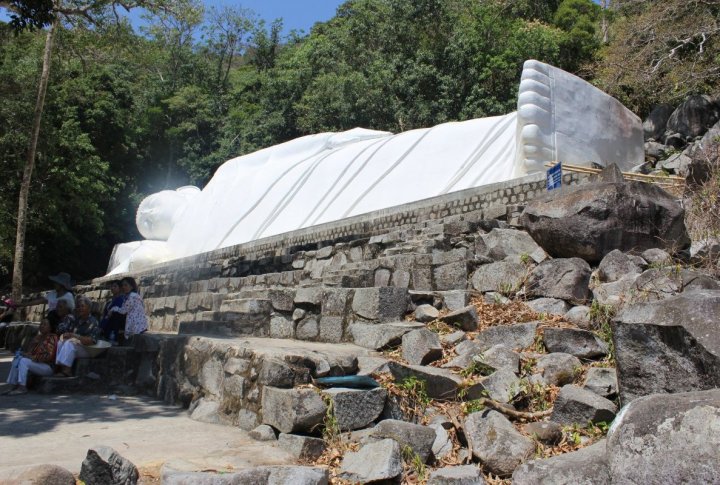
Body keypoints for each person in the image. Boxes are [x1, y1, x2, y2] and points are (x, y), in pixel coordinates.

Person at [4, 318, 58, 395]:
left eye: (44, 324)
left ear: (50, 327)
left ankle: (22, 387)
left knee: (24, 361)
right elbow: (30, 352)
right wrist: (27, 352)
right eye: (41, 324)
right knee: (18, 359)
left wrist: (33, 357)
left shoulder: (52, 337)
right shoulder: (38, 337)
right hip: (38, 364)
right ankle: (13, 385)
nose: (42, 326)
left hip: (48, 367)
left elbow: (49, 356)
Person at [55, 296, 99, 377]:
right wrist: (66, 335)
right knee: (61, 341)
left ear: (89, 308)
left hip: (88, 349)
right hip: (77, 345)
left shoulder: (93, 321)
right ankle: (61, 368)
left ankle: (67, 370)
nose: (80, 308)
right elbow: (71, 334)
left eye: (82, 306)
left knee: (69, 343)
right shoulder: (77, 320)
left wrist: (75, 336)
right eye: (78, 306)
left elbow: (91, 340)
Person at [109, 277, 147, 344]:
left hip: (135, 325)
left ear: (131, 286)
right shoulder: (135, 295)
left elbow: (123, 310)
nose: (123, 287)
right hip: (140, 324)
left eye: (126, 285)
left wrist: (113, 308)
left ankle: (115, 338)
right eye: (123, 285)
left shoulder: (131, 296)